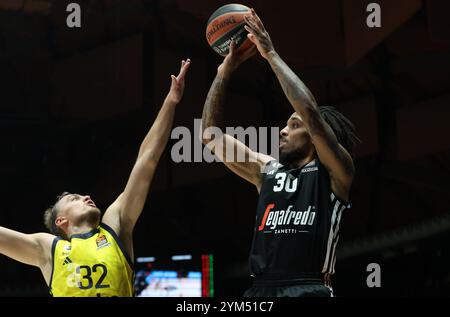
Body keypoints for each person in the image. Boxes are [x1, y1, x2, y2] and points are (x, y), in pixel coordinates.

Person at [201, 8, 361, 297]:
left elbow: (310, 112)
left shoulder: (337, 173)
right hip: (260, 291)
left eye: (294, 124)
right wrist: (223, 73)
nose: (282, 131)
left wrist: (270, 53)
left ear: (315, 137)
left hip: (309, 288)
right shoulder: (268, 171)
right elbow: (210, 136)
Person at [0, 59, 191, 297]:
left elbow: (148, 160)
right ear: (61, 221)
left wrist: (171, 101)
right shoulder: (49, 249)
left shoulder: (115, 226)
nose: (87, 197)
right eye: (74, 198)